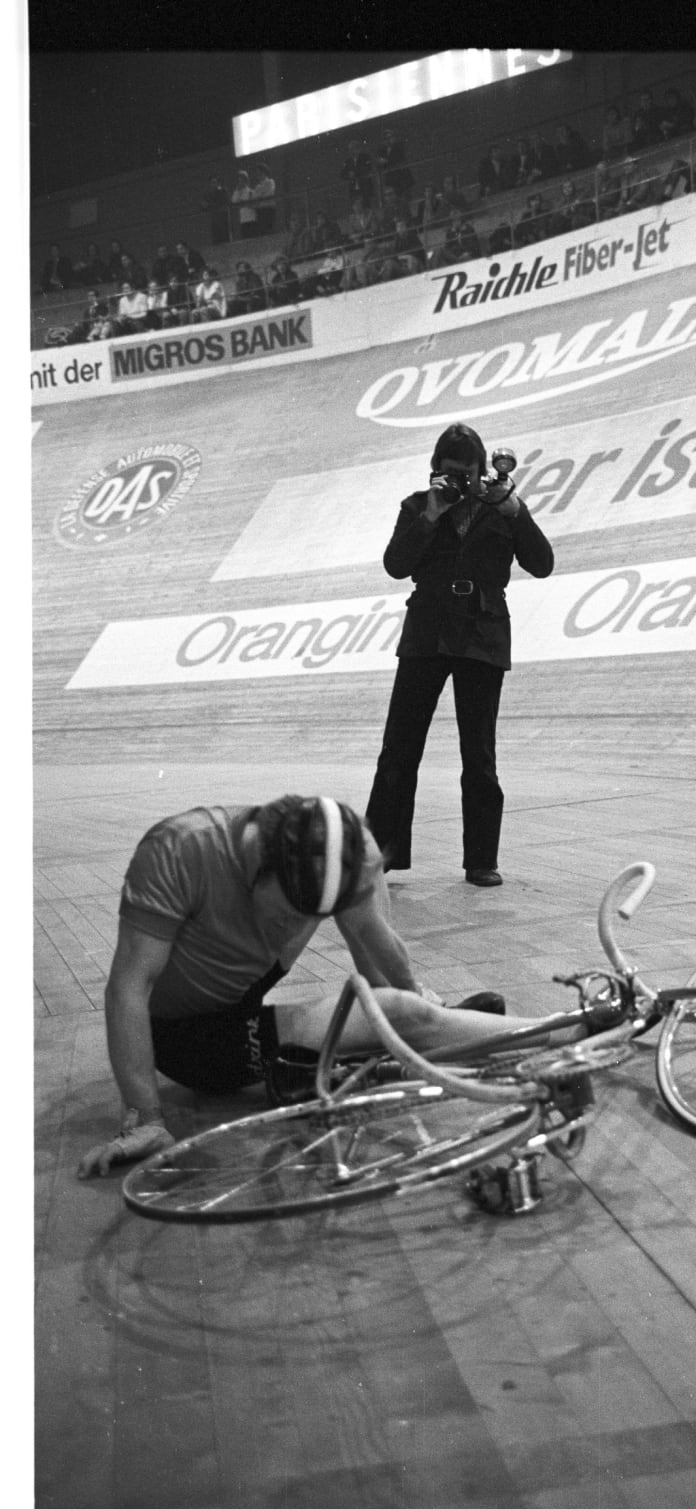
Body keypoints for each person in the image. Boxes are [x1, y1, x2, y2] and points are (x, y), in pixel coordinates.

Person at [76, 795, 619, 1178]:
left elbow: (377, 947)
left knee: (401, 995)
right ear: (255, 868)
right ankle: (578, 1031)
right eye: (286, 917)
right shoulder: (179, 851)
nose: (295, 930)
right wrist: (143, 1117)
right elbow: (128, 988)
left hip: (243, 986)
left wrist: (419, 1010)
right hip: (187, 1036)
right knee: (400, 1020)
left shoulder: (343, 848)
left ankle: (417, 1035)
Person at [365, 424, 554, 887]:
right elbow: (396, 566)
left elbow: (543, 564)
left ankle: (481, 860)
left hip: (482, 632)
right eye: (450, 473)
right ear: (435, 470)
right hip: (427, 630)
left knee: (480, 753)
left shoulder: (501, 507)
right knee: (399, 749)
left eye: (467, 473)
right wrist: (430, 514)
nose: (460, 482)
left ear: (481, 469)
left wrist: (516, 512)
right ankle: (380, 856)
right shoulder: (416, 506)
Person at [201, 175, 231, 245]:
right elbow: (203, 206)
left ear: (218, 183)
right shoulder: (207, 194)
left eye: (215, 182)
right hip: (214, 221)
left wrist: (209, 205)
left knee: (226, 240)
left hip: (223, 219)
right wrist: (204, 205)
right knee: (216, 241)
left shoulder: (223, 191)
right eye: (212, 183)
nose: (213, 184)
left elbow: (223, 203)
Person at [231, 169, 257, 239]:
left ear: (245, 180)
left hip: (251, 219)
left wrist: (244, 203)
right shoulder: (238, 192)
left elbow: (254, 205)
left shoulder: (250, 191)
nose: (240, 182)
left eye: (242, 179)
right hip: (243, 220)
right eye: (239, 180)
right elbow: (233, 201)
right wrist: (237, 190)